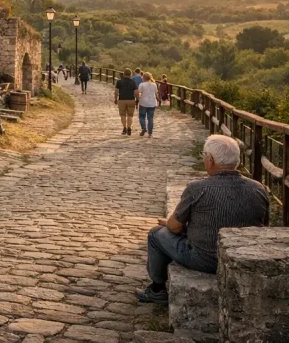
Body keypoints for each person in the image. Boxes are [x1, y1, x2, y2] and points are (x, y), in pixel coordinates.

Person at [136, 135, 269, 303]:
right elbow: (262, 225)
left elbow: (175, 227)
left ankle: (157, 289)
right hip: (243, 257)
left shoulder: (198, 188)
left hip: (206, 259)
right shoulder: (258, 189)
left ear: (210, 160)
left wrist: (171, 223)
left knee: (156, 234)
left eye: (204, 156)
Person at [114, 69, 137, 135]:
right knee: (130, 115)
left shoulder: (119, 82)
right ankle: (129, 127)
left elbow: (116, 92)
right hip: (131, 100)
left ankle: (124, 127)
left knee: (122, 115)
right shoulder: (133, 82)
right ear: (130, 75)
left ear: (124, 74)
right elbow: (136, 92)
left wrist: (115, 99)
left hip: (122, 100)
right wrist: (137, 99)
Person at [136, 72, 159, 137]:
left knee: (142, 116)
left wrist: (137, 99)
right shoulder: (154, 85)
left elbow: (139, 93)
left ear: (143, 78)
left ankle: (143, 128)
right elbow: (156, 94)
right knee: (150, 118)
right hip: (152, 103)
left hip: (143, 102)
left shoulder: (141, 85)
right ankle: (150, 133)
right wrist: (158, 100)